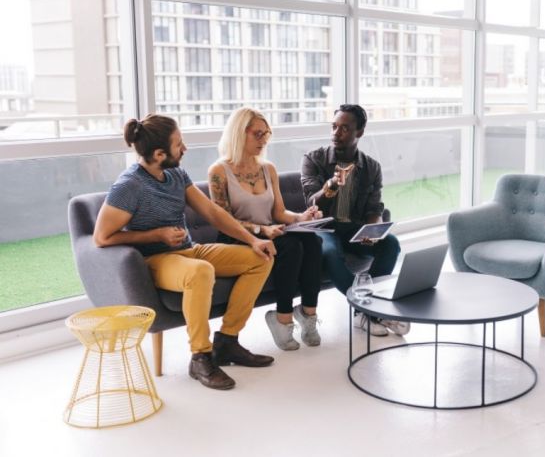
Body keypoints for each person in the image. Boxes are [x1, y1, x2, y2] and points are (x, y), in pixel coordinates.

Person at [93, 114, 277, 391]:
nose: (185, 148)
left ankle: (227, 342)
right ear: (158, 154)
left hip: (190, 250)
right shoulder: (129, 186)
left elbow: (212, 212)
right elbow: (101, 237)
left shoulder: (176, 174)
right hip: (157, 259)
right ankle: (200, 356)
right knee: (200, 271)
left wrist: (252, 240)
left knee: (260, 257)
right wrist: (157, 235)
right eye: (179, 144)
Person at [209, 107, 324, 352]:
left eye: (267, 134)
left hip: (269, 232)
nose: (264, 140)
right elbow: (223, 220)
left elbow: (279, 213)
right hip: (237, 238)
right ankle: (282, 319)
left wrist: (303, 217)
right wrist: (261, 230)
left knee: (313, 241)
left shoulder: (268, 168)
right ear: (240, 133)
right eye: (258, 134)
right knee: (290, 247)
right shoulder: (219, 172)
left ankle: (308, 314)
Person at [301, 104, 406, 336]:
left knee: (391, 244)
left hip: (353, 229)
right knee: (329, 252)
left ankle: (368, 314)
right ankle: (372, 311)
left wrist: (373, 229)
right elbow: (312, 204)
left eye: (345, 129)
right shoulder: (314, 160)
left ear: (359, 132)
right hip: (323, 228)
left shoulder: (371, 167)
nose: (336, 134)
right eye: (334, 127)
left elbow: (374, 207)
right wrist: (331, 186)